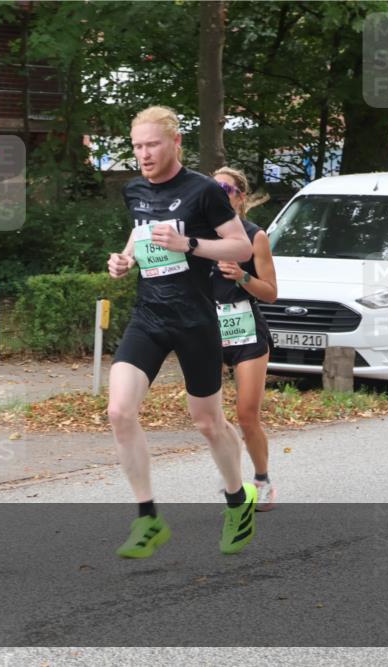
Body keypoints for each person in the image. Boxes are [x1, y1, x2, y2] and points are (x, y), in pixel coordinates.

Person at [106, 106, 257, 558]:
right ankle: (148, 518)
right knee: (119, 411)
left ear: (175, 143)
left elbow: (241, 246)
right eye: (137, 146)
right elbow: (141, 234)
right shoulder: (134, 190)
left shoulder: (204, 190)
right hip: (149, 317)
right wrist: (125, 258)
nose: (144, 154)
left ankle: (238, 501)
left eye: (152, 144)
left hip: (195, 320)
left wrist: (189, 244)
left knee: (208, 421)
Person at [211, 166, 278, 511]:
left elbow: (271, 293)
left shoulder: (255, 237)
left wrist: (241, 276)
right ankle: (233, 480)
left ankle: (263, 479)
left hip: (246, 331)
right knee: (210, 418)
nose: (220, 195)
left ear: (241, 198)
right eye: (213, 189)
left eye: (227, 189)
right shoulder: (198, 236)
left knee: (247, 415)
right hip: (208, 331)